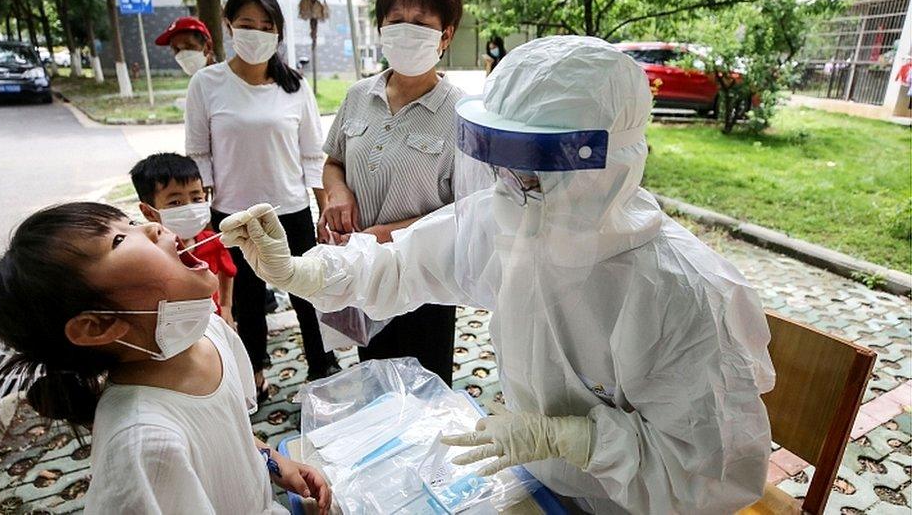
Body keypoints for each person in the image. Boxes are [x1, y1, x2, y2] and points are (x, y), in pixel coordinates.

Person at [220, 36, 776, 513]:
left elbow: (712, 477)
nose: (508, 181)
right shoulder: (516, 215)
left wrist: (577, 439)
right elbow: (400, 263)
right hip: (540, 477)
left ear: (604, 163)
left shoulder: (679, 291)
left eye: (532, 165)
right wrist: (301, 270)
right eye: (501, 157)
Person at [0, 202, 331, 514]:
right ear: (97, 326)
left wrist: (273, 460)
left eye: (131, 222)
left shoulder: (211, 335)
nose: (154, 228)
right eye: (120, 240)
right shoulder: (142, 443)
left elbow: (229, 427)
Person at [185, 0, 339, 398]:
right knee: (250, 302)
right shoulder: (206, 83)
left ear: (278, 32)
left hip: (290, 209)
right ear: (229, 25)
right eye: (247, 24)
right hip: (233, 214)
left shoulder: (295, 86)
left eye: (266, 26)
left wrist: (324, 209)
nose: (256, 34)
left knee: (309, 293)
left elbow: (312, 156)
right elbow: (199, 154)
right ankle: (254, 373)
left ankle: (322, 365)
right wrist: (200, 214)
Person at [317, 0, 465, 385]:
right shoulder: (357, 96)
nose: (405, 31)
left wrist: (392, 232)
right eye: (395, 20)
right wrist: (337, 193)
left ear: (446, 35)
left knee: (426, 387)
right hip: (365, 269)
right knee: (375, 378)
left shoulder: (462, 113)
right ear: (380, 27)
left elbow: (468, 208)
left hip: (427, 276)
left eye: (420, 23)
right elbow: (334, 161)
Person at [130, 153, 236, 326]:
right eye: (175, 203)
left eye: (196, 199)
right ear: (148, 212)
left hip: (213, 321)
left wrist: (226, 307)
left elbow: (228, 273)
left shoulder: (213, 241)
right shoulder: (148, 254)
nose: (191, 209)